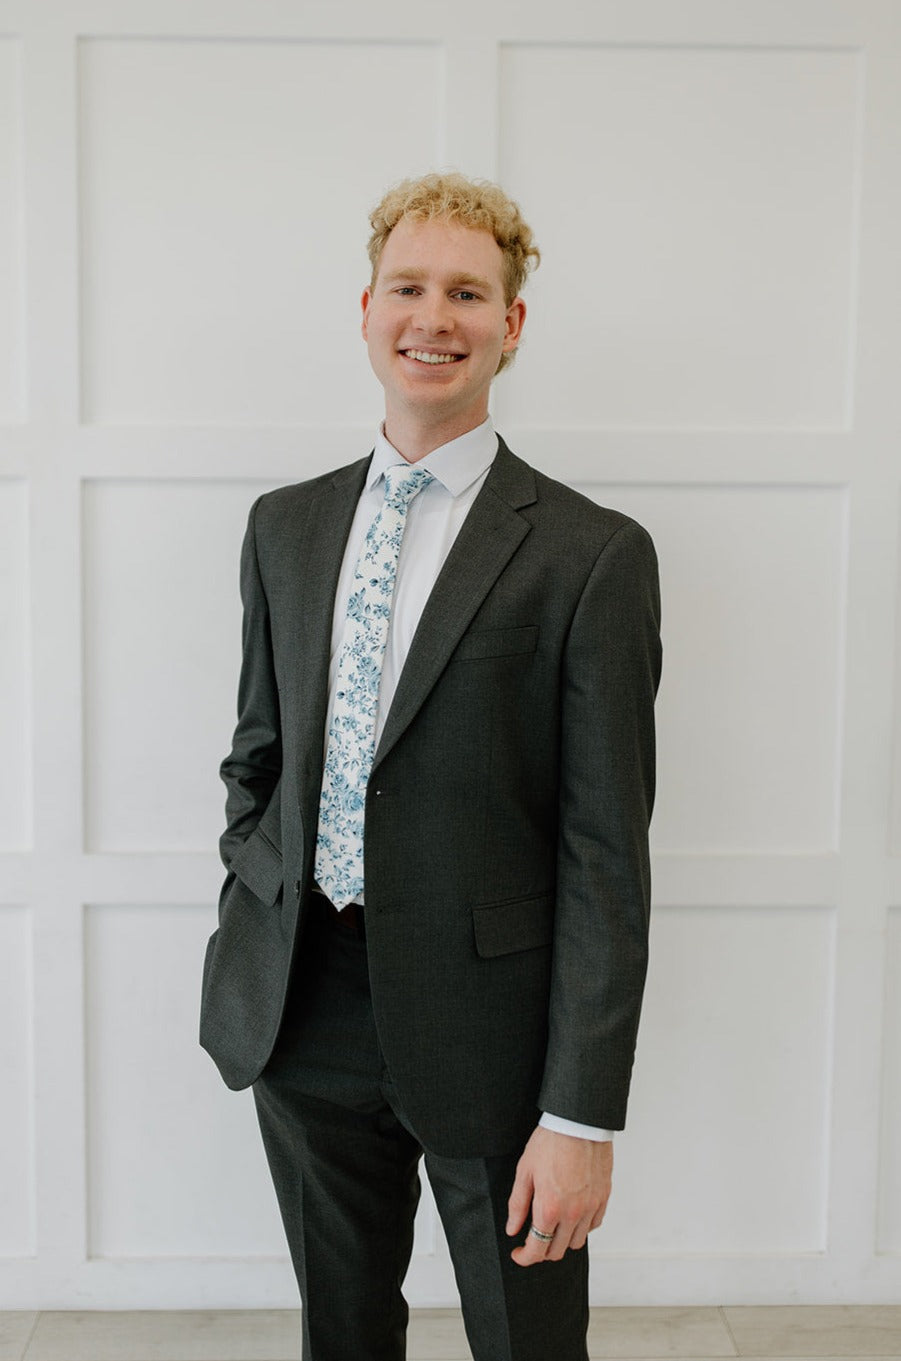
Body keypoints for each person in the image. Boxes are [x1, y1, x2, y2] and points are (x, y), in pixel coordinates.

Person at [200, 172, 661, 1361]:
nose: (432, 316)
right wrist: (253, 899)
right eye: (408, 286)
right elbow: (257, 755)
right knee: (342, 1332)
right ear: (365, 308)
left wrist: (579, 1110)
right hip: (303, 1007)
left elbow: (604, 849)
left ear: (510, 325)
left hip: (494, 1032)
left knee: (528, 1341)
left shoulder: (589, 554)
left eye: (467, 292)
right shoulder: (284, 526)